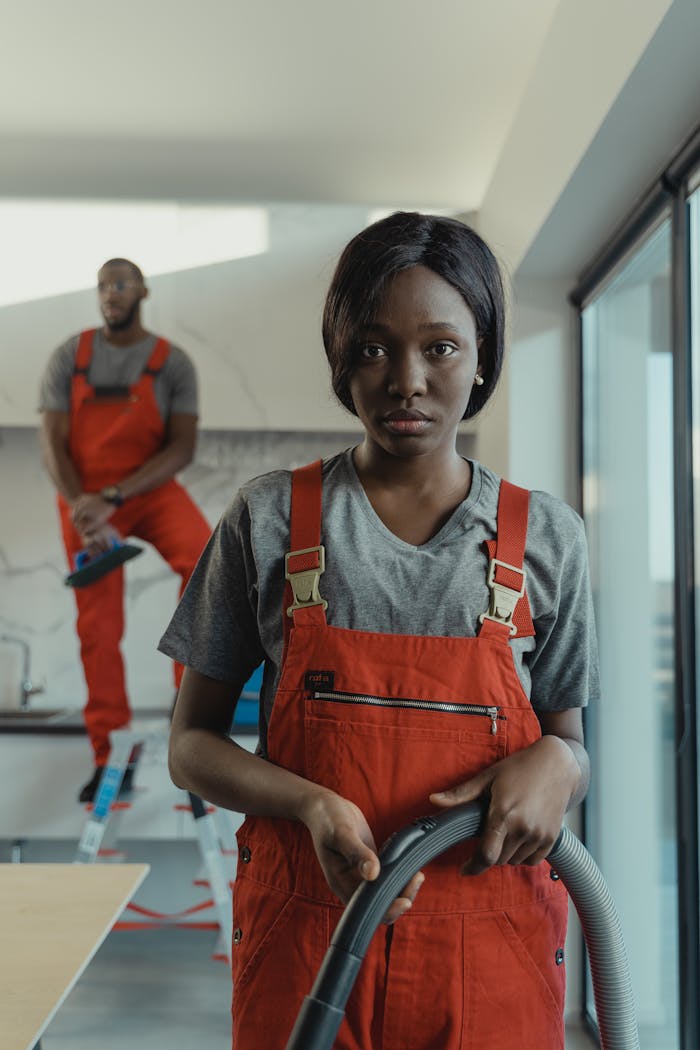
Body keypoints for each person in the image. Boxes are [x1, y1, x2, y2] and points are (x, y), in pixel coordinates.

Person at [162, 213, 598, 1050]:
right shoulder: (267, 519)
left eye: (441, 347)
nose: (406, 380)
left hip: (491, 952)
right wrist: (310, 803)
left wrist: (559, 762)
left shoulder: (547, 538)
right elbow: (191, 746)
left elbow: (572, 743)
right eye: (373, 348)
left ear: (482, 357)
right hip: (307, 943)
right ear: (340, 356)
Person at [39, 258, 211, 803]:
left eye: (120, 284)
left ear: (142, 291)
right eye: (102, 286)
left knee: (206, 563)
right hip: (85, 498)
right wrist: (81, 507)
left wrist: (115, 497)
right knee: (98, 628)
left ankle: (193, 725)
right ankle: (109, 756)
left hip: (146, 490)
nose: (110, 294)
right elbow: (52, 443)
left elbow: (181, 448)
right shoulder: (70, 356)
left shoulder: (171, 363)